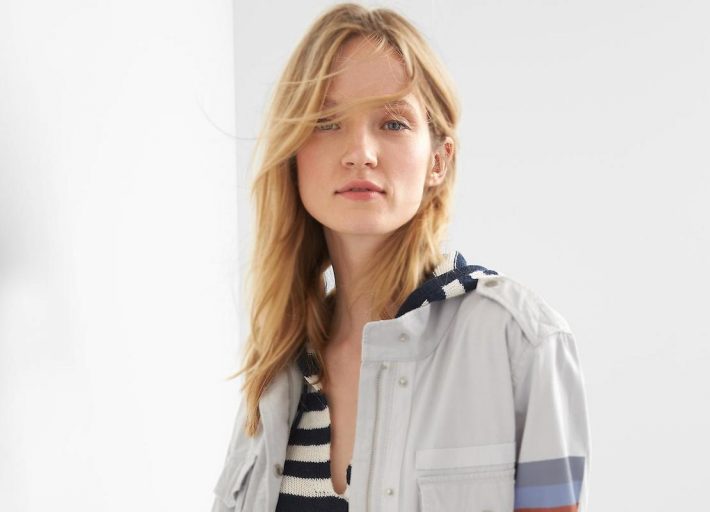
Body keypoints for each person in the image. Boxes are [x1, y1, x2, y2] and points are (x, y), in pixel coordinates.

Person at [211, 3, 590, 512]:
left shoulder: (519, 340)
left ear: (438, 160)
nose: (360, 152)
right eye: (326, 122)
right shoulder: (277, 366)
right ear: (293, 155)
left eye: (392, 123)